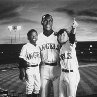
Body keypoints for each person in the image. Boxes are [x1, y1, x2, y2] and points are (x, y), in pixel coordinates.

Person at [37, 14, 61, 97]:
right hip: (44, 67)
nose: (48, 22)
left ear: (52, 22)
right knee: (43, 94)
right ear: (42, 22)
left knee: (58, 94)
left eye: (50, 20)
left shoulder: (58, 36)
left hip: (57, 67)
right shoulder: (38, 38)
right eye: (46, 20)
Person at [56, 19, 80, 97]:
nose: (61, 37)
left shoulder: (70, 44)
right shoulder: (61, 48)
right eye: (59, 35)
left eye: (63, 35)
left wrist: (74, 29)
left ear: (68, 36)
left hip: (72, 74)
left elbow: (72, 38)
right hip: (63, 74)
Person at [19, 29, 41, 97]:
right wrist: (22, 71)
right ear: (28, 37)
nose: (34, 37)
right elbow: (21, 59)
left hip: (37, 68)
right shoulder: (25, 46)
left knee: (38, 86)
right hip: (29, 68)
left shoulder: (38, 46)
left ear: (37, 36)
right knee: (30, 87)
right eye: (32, 35)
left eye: (35, 35)